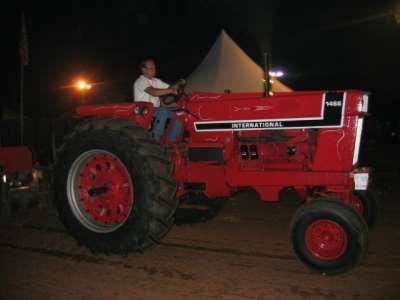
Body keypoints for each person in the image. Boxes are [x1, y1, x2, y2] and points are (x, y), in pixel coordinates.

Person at [133, 59, 182, 142]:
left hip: (154, 110)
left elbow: (170, 87)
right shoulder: (141, 81)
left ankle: (171, 141)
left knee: (180, 114)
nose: (154, 70)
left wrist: (179, 85)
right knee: (163, 111)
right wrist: (170, 91)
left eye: (154, 68)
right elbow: (154, 92)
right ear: (144, 70)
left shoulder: (155, 81)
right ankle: (156, 140)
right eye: (151, 68)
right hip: (143, 111)